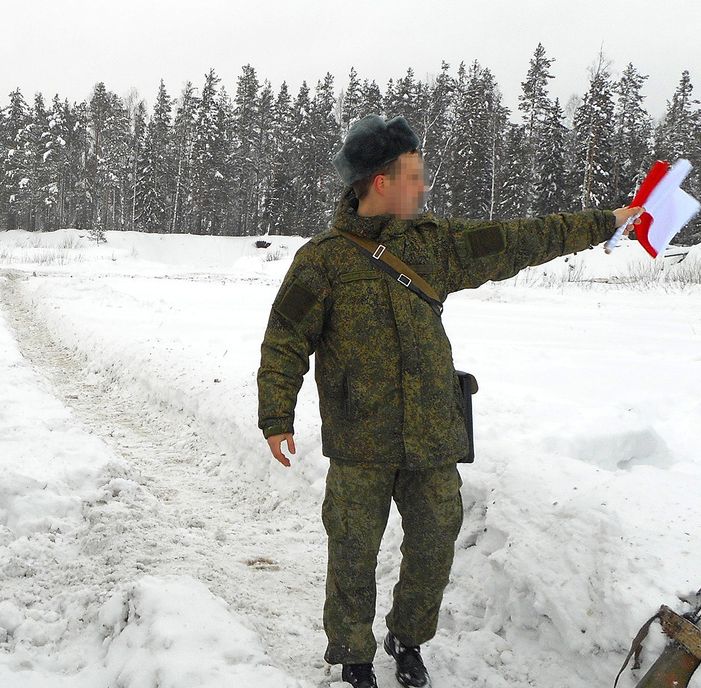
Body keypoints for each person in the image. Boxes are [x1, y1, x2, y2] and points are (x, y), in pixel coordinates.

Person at [256, 114, 644, 688]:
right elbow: (285, 338)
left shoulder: (436, 245)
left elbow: (520, 238)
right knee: (353, 554)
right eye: (415, 176)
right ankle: (353, 656)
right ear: (381, 183)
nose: (425, 185)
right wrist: (275, 416)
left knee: (435, 546)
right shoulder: (323, 261)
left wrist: (606, 222)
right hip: (361, 440)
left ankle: (407, 640)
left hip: (433, 436)